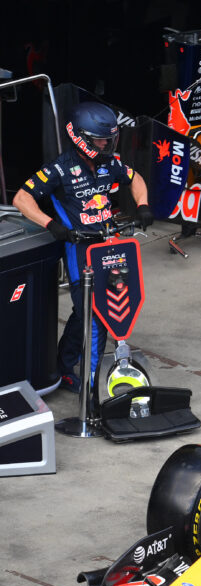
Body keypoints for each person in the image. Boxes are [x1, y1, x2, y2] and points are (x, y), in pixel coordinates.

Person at [13, 101, 154, 394]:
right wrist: (51, 224)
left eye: (110, 139)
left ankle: (63, 366)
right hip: (80, 251)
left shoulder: (109, 163)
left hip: (111, 246)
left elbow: (135, 178)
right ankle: (90, 391)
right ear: (80, 137)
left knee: (99, 310)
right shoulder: (58, 169)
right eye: (101, 139)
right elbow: (21, 199)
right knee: (94, 316)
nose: (107, 144)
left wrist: (142, 206)